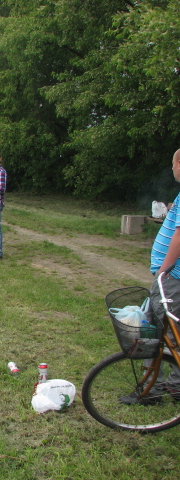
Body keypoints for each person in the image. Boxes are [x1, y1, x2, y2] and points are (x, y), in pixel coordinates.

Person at [120, 149, 180, 404]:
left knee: (173, 335)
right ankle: (152, 387)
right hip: (166, 278)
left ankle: (173, 388)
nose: (173, 169)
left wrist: (164, 270)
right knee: (152, 330)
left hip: (171, 279)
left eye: (173, 164)